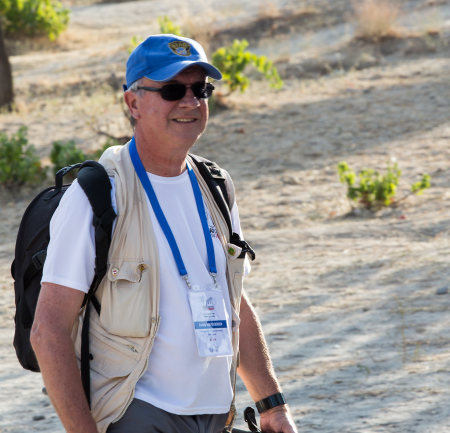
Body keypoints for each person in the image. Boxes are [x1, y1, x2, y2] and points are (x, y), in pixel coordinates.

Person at [30, 34, 298, 433]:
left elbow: (233, 302)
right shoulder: (97, 196)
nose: (190, 102)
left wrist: (272, 404)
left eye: (200, 90)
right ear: (133, 103)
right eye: (172, 90)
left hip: (216, 413)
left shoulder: (216, 185)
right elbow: (48, 331)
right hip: (136, 412)